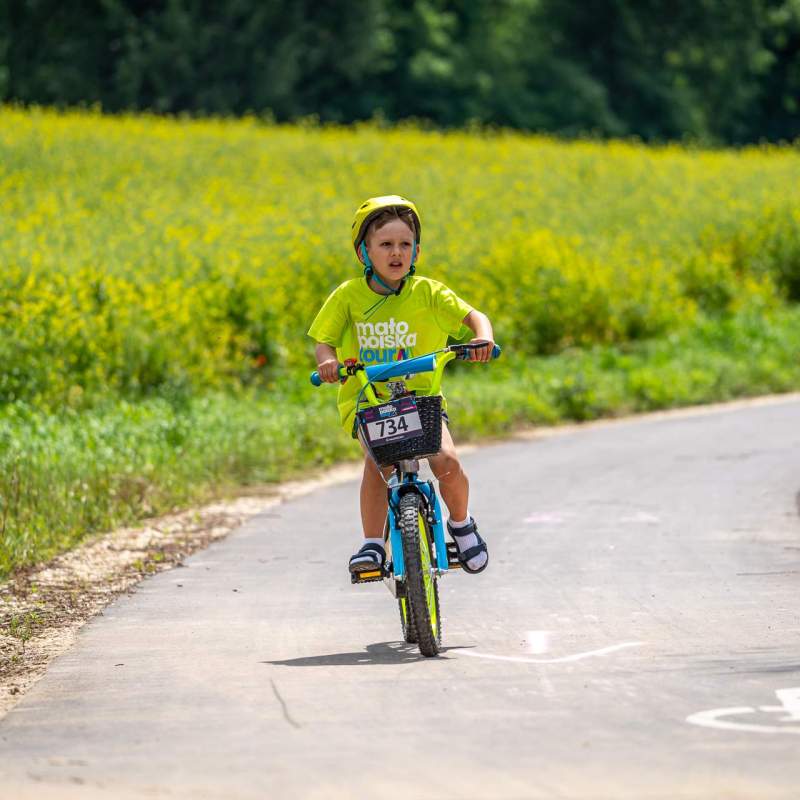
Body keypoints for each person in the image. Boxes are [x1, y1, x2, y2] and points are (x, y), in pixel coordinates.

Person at [307, 195, 494, 577]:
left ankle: (461, 524)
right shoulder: (347, 296)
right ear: (364, 252)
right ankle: (373, 543)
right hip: (368, 399)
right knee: (379, 464)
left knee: (448, 464)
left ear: (417, 251)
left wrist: (482, 337)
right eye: (386, 245)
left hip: (421, 399)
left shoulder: (427, 292)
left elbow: (474, 316)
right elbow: (323, 340)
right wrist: (327, 363)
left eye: (405, 245)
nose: (397, 253)